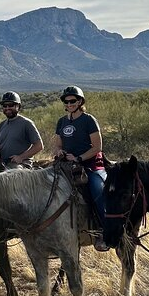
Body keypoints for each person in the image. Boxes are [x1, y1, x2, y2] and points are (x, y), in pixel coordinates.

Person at [52, 86, 109, 252]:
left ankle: (102, 231)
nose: (69, 104)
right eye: (66, 101)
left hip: (90, 165)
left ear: (80, 102)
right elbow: (57, 145)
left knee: (97, 190)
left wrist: (79, 158)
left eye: (72, 101)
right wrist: (59, 152)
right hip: (66, 165)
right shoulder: (62, 121)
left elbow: (97, 147)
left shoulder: (89, 120)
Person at [0, 91, 43, 168]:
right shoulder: (1, 125)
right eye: (5, 106)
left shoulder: (26, 123)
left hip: (21, 164)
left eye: (10, 105)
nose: (7, 108)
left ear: (18, 106)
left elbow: (39, 146)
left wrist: (21, 157)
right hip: (3, 163)